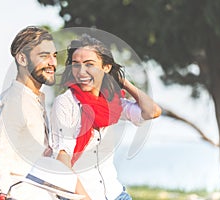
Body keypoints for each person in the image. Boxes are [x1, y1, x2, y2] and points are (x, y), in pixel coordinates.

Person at [50, 34, 162, 200]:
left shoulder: (112, 102)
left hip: (115, 193)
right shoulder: (66, 103)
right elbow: (62, 157)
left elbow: (151, 111)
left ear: (106, 68)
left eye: (90, 64)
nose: (82, 72)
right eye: (76, 65)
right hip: (80, 196)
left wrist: (123, 82)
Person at [0, 26, 59, 199]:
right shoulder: (13, 104)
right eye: (44, 56)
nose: (53, 63)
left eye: (54, 56)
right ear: (22, 59)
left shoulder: (33, 101)